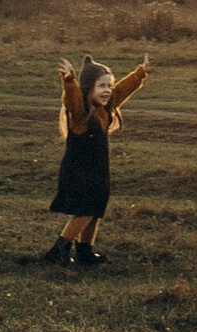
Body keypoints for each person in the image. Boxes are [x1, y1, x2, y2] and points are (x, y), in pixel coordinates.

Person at [38, 51, 148, 269]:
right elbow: (71, 100)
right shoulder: (80, 113)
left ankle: (85, 251)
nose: (107, 91)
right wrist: (69, 80)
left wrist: (140, 73)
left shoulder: (105, 108)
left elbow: (123, 89)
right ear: (87, 89)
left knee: (96, 209)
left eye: (109, 86)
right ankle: (59, 249)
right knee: (86, 210)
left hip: (98, 172)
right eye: (101, 86)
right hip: (79, 171)